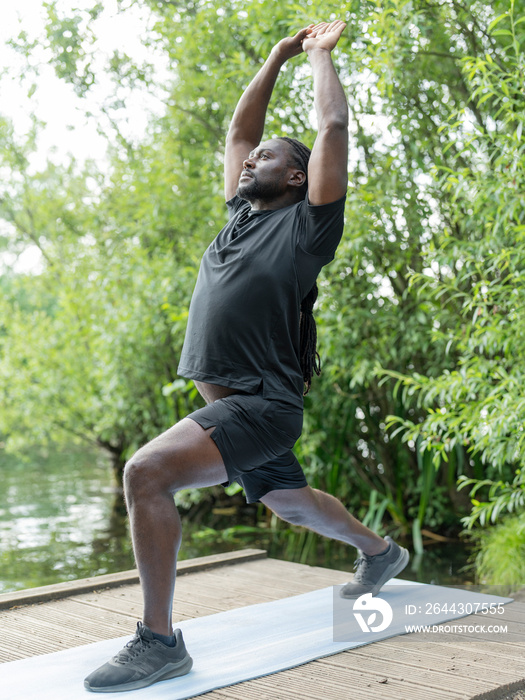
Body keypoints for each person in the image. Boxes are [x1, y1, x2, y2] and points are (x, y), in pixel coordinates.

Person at [84, 20, 409, 694]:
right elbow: (237, 132)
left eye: (265, 157)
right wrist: (275, 55)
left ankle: (159, 642)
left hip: (261, 406)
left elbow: (332, 132)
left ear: (295, 176)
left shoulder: (307, 225)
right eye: (249, 157)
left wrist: (319, 56)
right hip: (237, 408)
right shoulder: (238, 216)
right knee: (291, 504)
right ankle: (379, 553)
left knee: (146, 474)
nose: (247, 159)